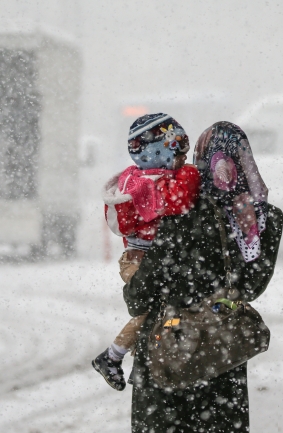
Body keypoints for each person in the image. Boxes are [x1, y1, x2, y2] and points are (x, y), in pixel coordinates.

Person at [123, 121, 283, 432]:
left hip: (167, 360)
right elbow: (250, 288)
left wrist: (133, 270)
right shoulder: (261, 220)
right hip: (221, 363)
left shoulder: (177, 212)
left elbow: (139, 298)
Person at [92, 113, 201, 391]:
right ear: (158, 150)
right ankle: (112, 356)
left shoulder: (136, 177)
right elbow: (179, 203)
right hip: (140, 262)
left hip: (140, 259)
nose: (182, 160)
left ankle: (120, 357)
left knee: (159, 311)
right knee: (151, 310)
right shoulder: (149, 183)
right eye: (178, 152)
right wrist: (189, 174)